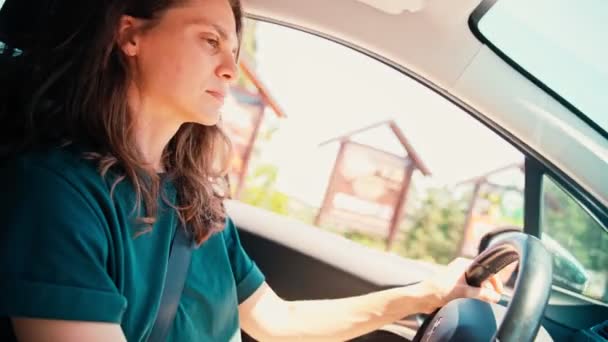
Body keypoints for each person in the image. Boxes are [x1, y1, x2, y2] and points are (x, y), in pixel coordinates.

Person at [0, 0, 503, 341]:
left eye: (234, 51)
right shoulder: (55, 195)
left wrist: (430, 292)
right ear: (130, 35)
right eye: (209, 40)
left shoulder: (190, 200)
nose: (228, 68)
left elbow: (274, 320)